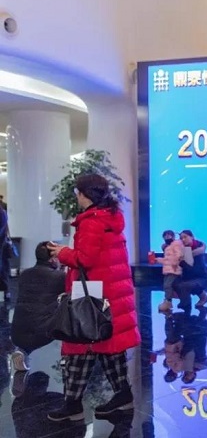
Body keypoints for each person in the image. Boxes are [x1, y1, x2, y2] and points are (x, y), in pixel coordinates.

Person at [46, 173, 141, 422]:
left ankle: (73, 404)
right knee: (108, 345)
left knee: (79, 345)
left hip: (91, 291)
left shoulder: (91, 221)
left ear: (84, 194)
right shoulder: (109, 216)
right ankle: (122, 396)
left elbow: (84, 259)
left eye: (77, 192)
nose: (76, 197)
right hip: (109, 290)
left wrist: (62, 252)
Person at [9, 241, 66, 372]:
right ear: (53, 259)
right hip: (43, 332)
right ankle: (67, 357)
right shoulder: (59, 276)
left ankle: (22, 353)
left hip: (17, 331)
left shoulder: (24, 274)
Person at [175, 230, 207, 311]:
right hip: (188, 276)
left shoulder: (199, 246)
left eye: (185, 237)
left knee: (185, 285)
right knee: (174, 283)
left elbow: (201, 249)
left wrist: (185, 256)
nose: (183, 239)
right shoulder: (183, 249)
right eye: (181, 238)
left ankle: (187, 303)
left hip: (201, 277)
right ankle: (187, 301)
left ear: (192, 237)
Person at [157, 230, 184, 313]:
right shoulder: (168, 247)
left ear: (173, 236)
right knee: (167, 286)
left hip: (174, 270)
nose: (167, 237)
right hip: (168, 270)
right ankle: (168, 301)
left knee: (167, 285)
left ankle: (168, 302)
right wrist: (157, 260)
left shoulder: (176, 244)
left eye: (169, 235)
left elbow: (179, 255)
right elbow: (167, 260)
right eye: (165, 236)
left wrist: (175, 263)